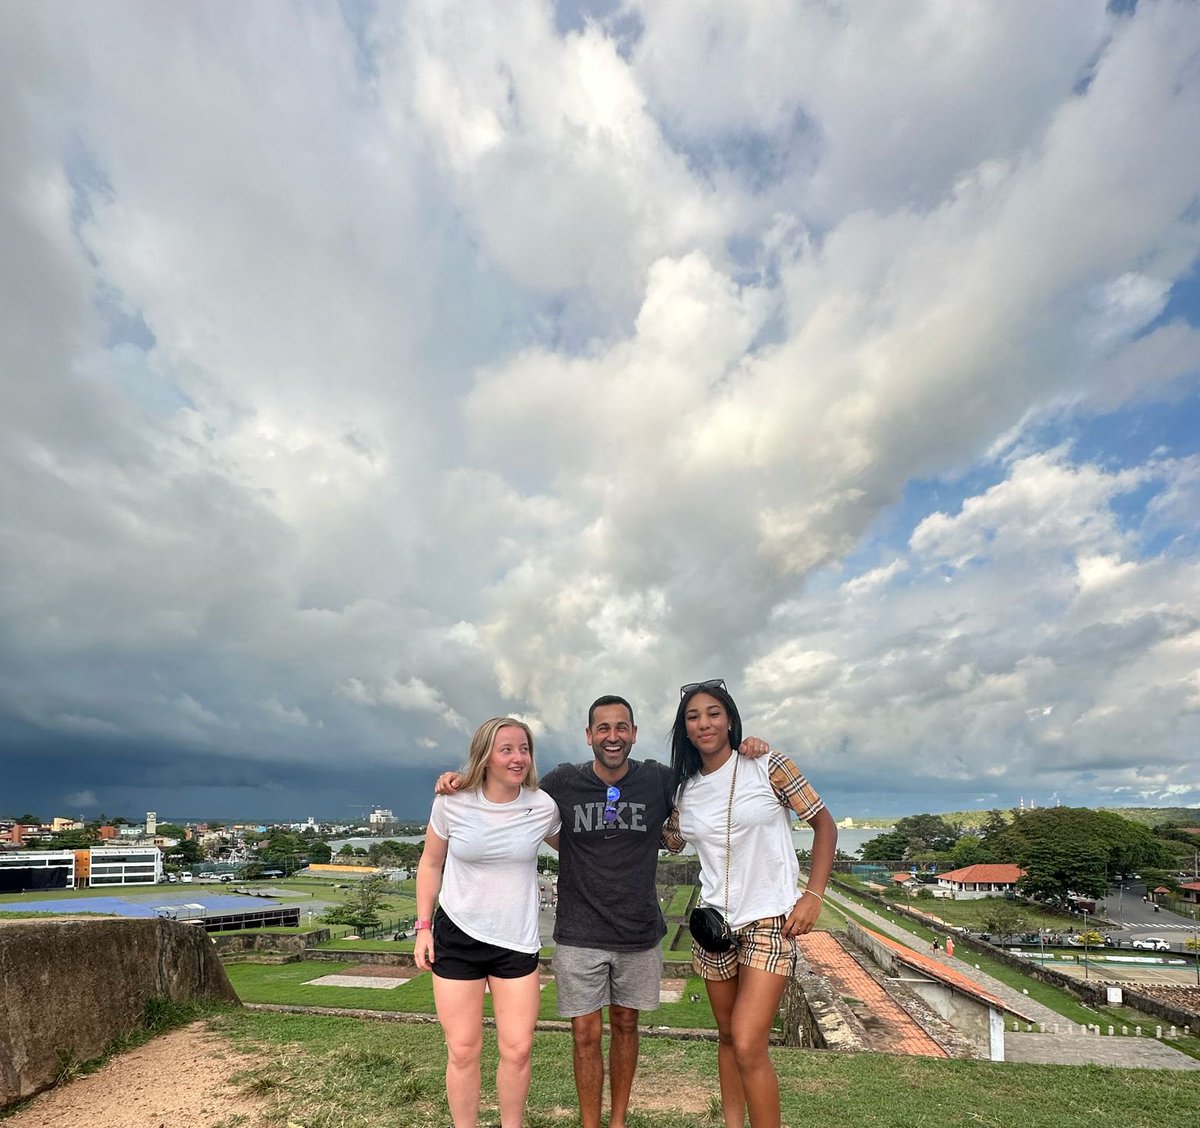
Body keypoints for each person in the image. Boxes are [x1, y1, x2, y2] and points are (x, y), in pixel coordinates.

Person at [437, 694, 769, 1128]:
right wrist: (459, 781)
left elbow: (709, 771)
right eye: (604, 728)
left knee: (627, 1026)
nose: (613, 737)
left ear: (633, 733)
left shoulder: (658, 779)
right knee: (584, 1034)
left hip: (638, 930)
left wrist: (747, 748)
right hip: (579, 930)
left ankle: (618, 1121)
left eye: (621, 727)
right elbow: (507, 789)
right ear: (589, 735)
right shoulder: (562, 781)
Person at [664, 679, 836, 1128]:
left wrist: (813, 896)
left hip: (769, 920)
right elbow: (668, 839)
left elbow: (824, 825)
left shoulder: (767, 765)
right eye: (693, 716)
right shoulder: (686, 791)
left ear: (730, 719)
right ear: (684, 729)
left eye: (713, 713)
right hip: (715, 925)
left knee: (747, 1041)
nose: (704, 723)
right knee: (725, 1036)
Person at [415, 717, 561, 1128]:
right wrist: (423, 928)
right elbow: (429, 863)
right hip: (457, 935)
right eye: (507, 749)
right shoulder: (452, 801)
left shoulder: (541, 806)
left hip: (516, 941)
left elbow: (580, 847)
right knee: (462, 1049)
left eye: (524, 749)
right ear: (486, 756)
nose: (518, 758)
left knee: (517, 1049)